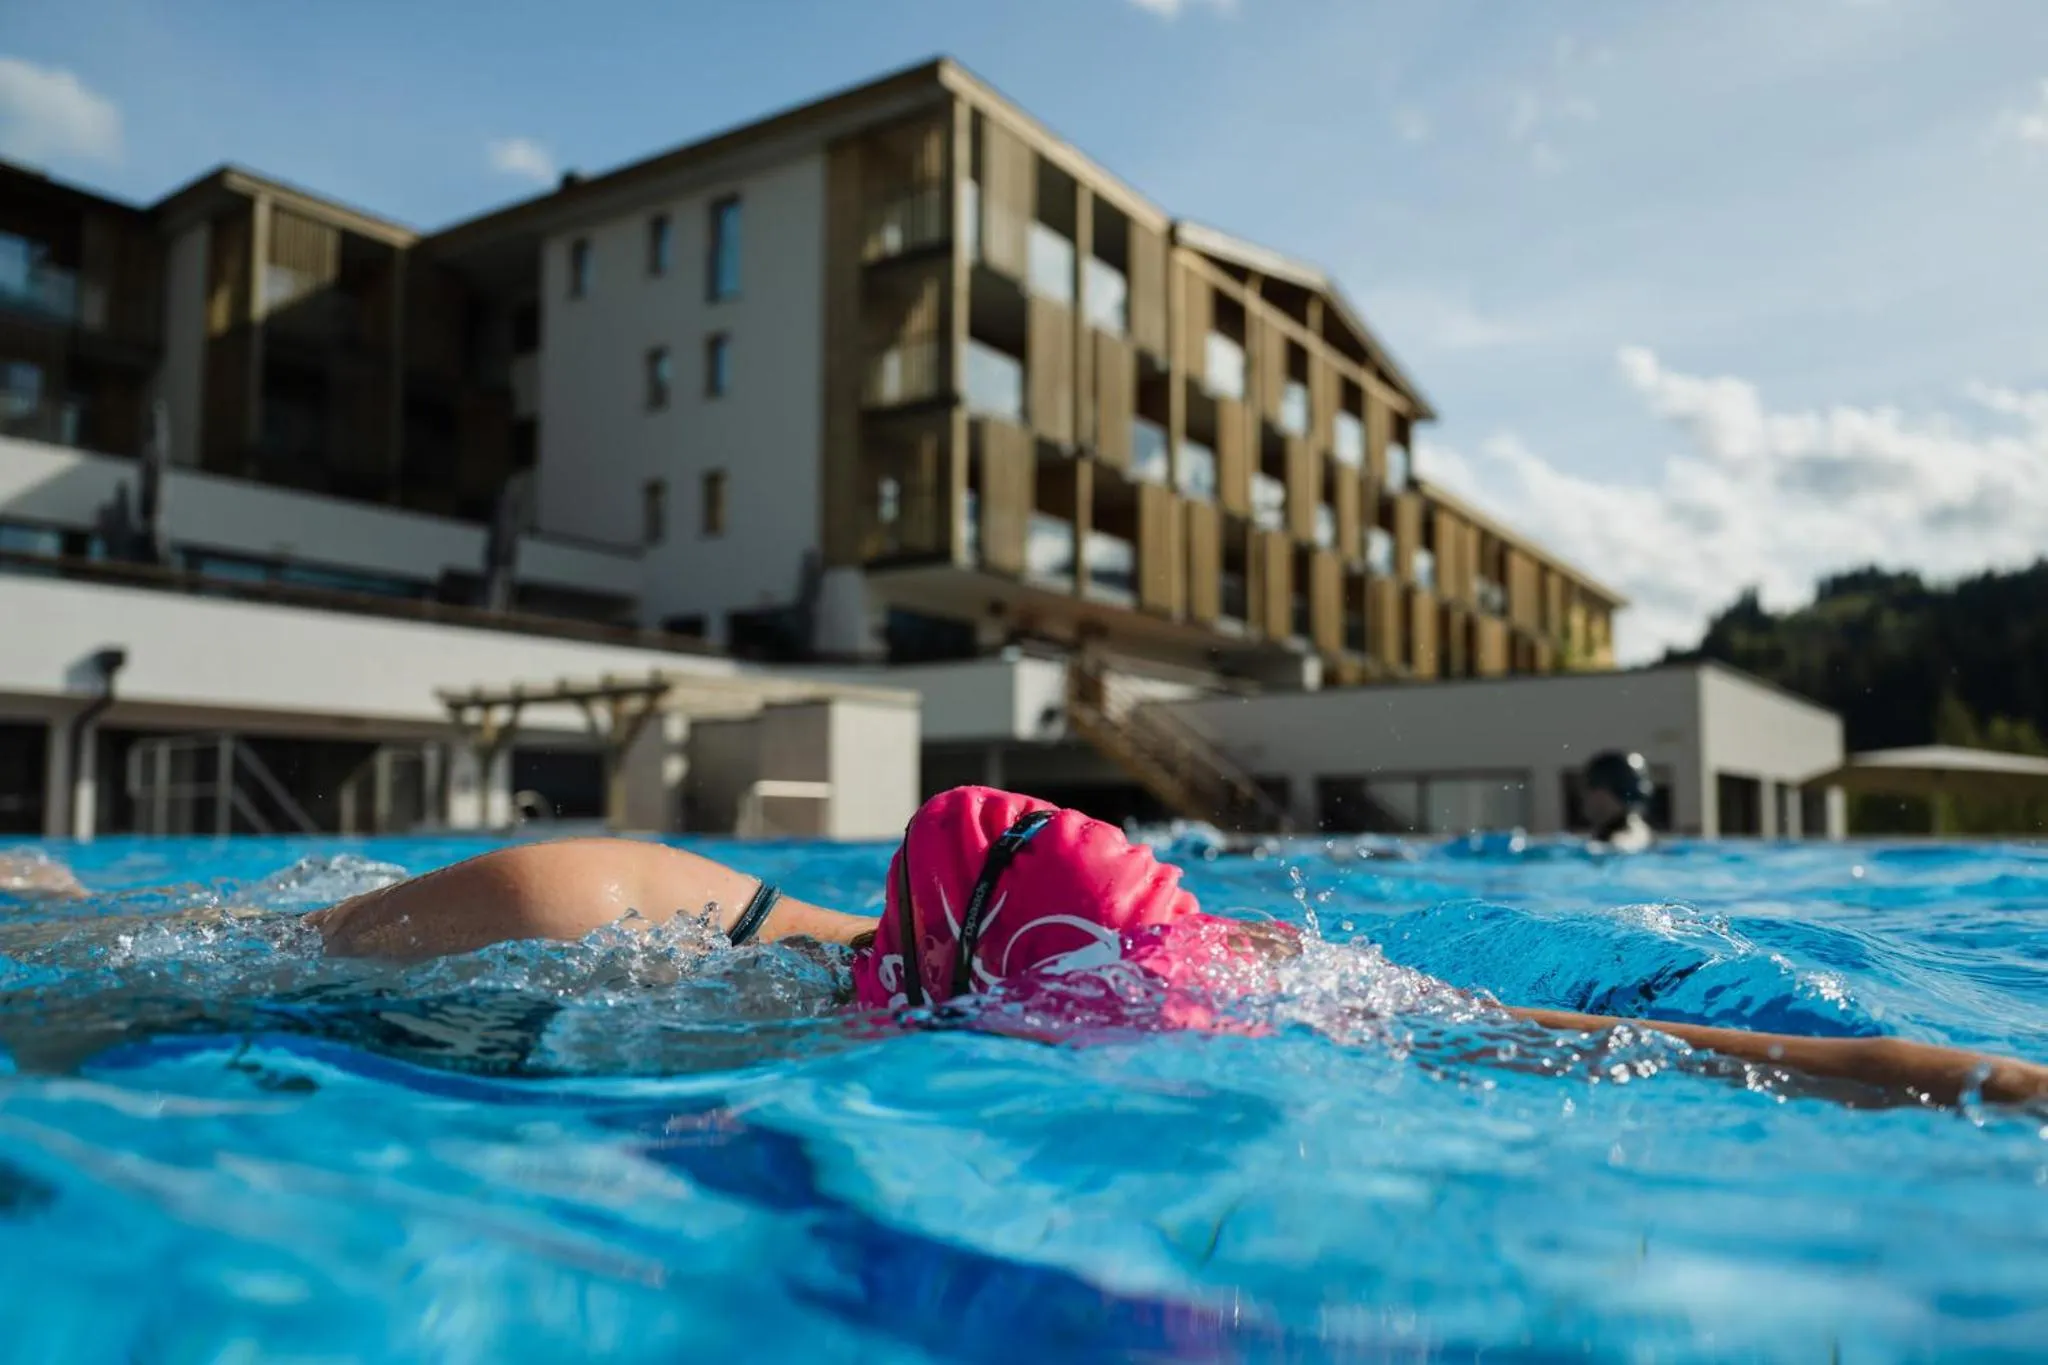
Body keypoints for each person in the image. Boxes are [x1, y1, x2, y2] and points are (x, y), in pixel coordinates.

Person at [304, 785, 2048, 1110]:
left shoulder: (1246, 964)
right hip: (568, 917)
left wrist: (1979, 1079)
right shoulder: (584, 924)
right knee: (188, 952)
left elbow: (1559, 1039)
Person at [1581, 750, 1656, 852]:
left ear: (1602, 792)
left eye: (1589, 787)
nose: (1584, 796)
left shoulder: (1628, 837)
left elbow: (1629, 847)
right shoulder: (1628, 831)